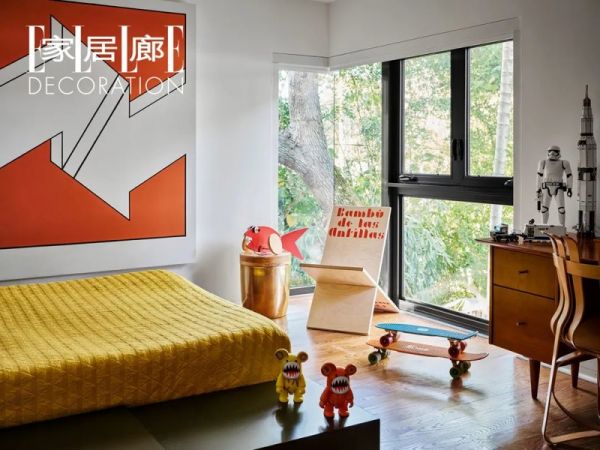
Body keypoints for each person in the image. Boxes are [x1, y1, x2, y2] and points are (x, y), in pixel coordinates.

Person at [536, 145, 572, 226]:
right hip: (546, 187)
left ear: (558, 153)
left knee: (561, 209)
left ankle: (562, 227)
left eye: (555, 151)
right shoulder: (543, 162)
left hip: (559, 188)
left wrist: (570, 187)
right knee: (544, 209)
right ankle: (543, 228)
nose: (552, 153)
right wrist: (538, 188)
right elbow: (539, 176)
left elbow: (569, 175)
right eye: (550, 151)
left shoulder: (564, 162)